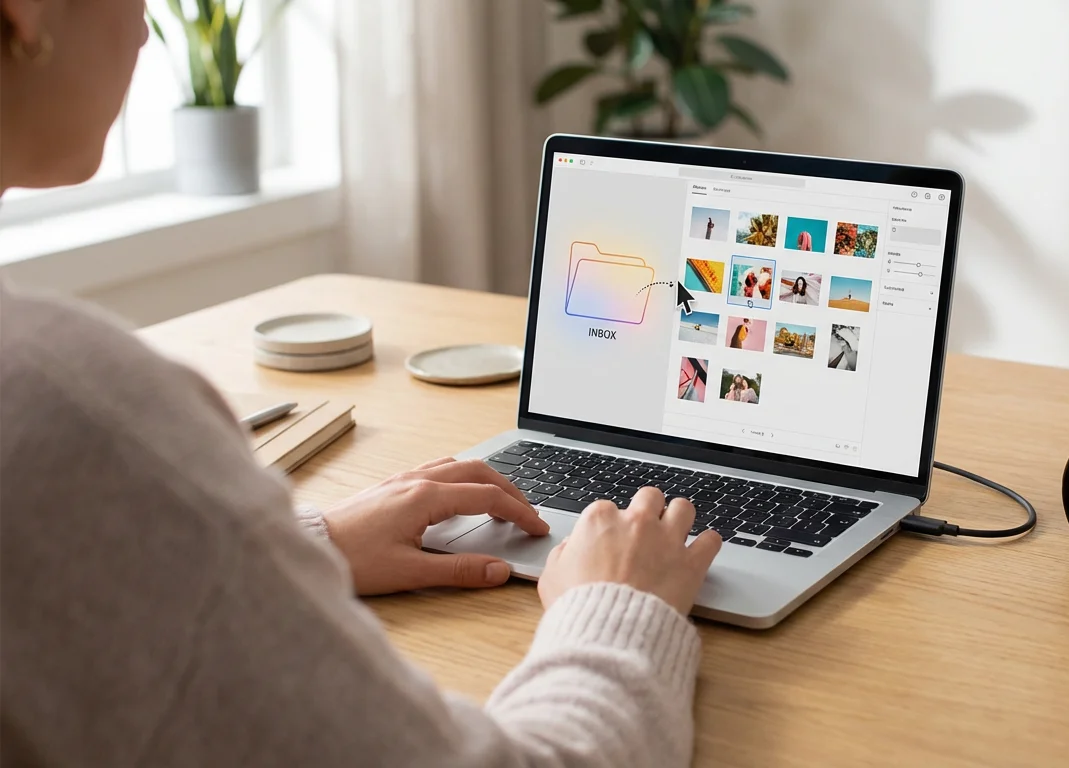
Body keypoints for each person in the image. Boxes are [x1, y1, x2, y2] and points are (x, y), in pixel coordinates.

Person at [0, 2, 723, 766]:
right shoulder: (67, 405)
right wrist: (619, 607)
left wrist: (289, 551)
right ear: (25, 14)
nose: (145, 22)